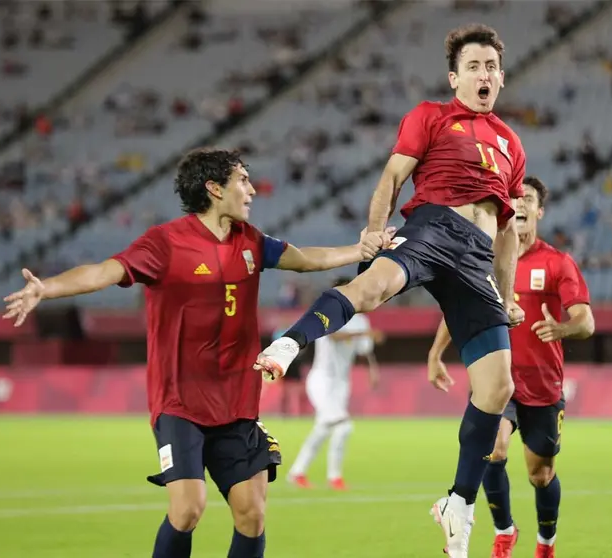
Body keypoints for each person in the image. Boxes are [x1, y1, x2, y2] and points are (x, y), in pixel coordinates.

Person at [1, 148, 392, 558]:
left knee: (252, 515)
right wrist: (47, 288)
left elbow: (307, 259)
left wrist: (359, 250)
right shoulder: (164, 243)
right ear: (214, 189)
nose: (252, 190)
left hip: (238, 401)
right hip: (181, 402)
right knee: (188, 510)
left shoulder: (252, 242)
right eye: (242, 180)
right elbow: (104, 271)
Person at [251, 24, 527, 558]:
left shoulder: (512, 144)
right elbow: (392, 176)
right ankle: (290, 342)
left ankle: (458, 504)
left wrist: (508, 293)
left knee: (497, 388)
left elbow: (509, 231)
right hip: (434, 227)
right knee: (372, 289)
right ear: (455, 77)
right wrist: (375, 229)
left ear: (501, 75)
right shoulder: (430, 116)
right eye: (474, 66)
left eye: (491, 66)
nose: (484, 74)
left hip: (477, 259)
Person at [427, 176, 594, 558]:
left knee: (541, 475)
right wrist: (436, 353)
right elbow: (461, 310)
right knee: (494, 450)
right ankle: (505, 530)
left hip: (543, 386)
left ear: (539, 210)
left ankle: (546, 542)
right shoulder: (486, 258)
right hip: (497, 379)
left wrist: (563, 327)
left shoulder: (557, 263)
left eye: (528, 198)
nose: (519, 204)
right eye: (514, 197)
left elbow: (587, 322)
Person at [286, 276, 383, 491]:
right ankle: (335, 477)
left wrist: (373, 370)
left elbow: (365, 350)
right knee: (344, 426)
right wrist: (364, 333)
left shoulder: (360, 319)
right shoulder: (326, 315)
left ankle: (297, 472)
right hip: (321, 379)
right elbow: (334, 337)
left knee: (324, 427)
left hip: (341, 383)